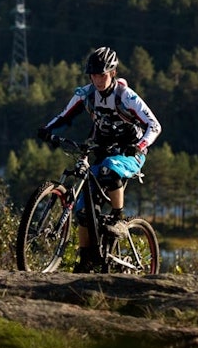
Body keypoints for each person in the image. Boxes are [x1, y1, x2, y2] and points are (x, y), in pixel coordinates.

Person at [36, 46, 163, 273]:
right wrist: (47, 129)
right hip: (102, 150)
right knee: (83, 210)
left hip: (129, 153)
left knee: (109, 170)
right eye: (93, 75)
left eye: (102, 75)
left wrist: (139, 145)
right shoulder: (85, 94)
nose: (97, 80)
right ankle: (87, 260)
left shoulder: (126, 96)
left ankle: (118, 218)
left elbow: (154, 125)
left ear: (112, 73)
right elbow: (65, 115)